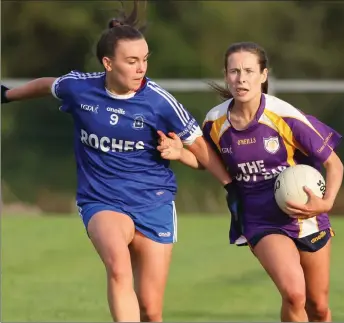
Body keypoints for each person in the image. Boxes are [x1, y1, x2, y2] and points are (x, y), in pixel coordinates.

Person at [1, 2, 241, 322]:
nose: (141, 68)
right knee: (118, 269)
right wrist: (8, 95)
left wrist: (230, 187)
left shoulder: (160, 102)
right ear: (108, 63)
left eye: (144, 60)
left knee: (151, 310)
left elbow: (202, 151)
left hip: (153, 202)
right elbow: (48, 84)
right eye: (132, 61)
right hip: (101, 200)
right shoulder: (80, 88)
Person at [157, 41, 344, 322]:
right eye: (234, 71)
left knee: (317, 306)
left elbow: (334, 163)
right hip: (259, 217)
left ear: (263, 75)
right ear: (226, 75)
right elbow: (209, 162)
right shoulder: (215, 122)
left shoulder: (284, 116)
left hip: (307, 216)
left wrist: (326, 202)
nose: (241, 78)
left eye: (248, 71)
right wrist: (180, 153)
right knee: (294, 294)